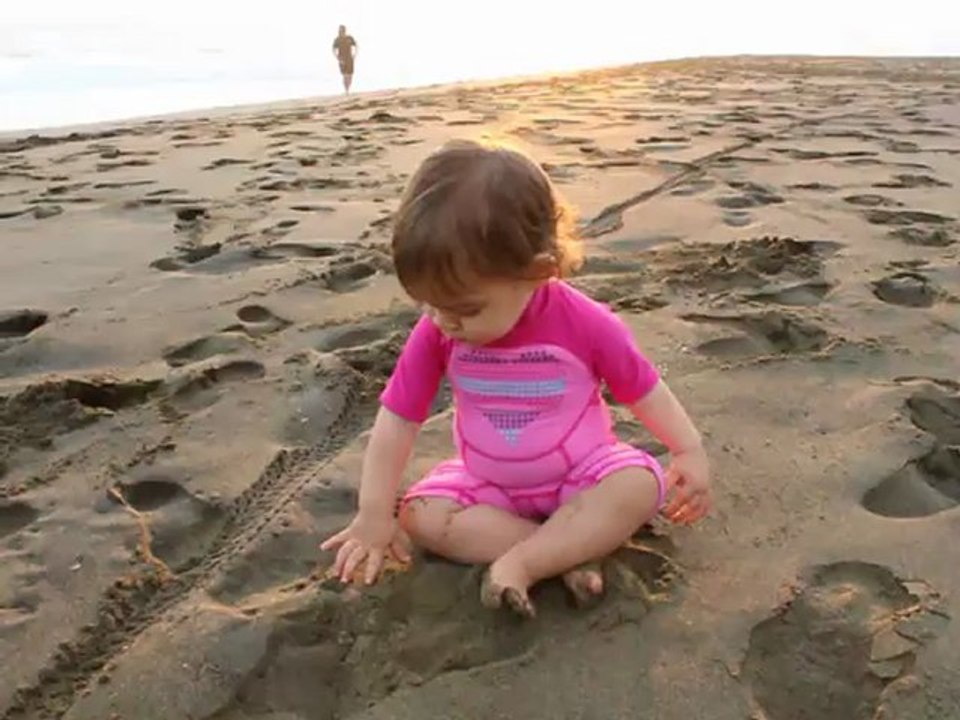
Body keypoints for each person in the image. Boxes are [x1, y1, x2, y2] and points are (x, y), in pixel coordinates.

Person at [321, 139, 712, 618]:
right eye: (428, 305)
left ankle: (524, 564)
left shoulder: (586, 323)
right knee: (419, 516)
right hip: (491, 488)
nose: (443, 322)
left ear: (537, 273)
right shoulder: (438, 331)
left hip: (582, 475)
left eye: (465, 308)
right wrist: (373, 514)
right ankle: (569, 551)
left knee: (636, 485)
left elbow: (644, 389)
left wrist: (687, 450)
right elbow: (397, 422)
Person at [332, 25, 357, 94]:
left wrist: (355, 55)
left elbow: (356, 45)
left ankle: (348, 88)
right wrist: (337, 58)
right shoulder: (337, 39)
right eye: (340, 30)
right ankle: (346, 90)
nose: (342, 31)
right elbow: (333, 49)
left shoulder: (349, 38)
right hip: (342, 59)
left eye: (343, 30)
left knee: (350, 75)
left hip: (350, 58)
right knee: (345, 75)